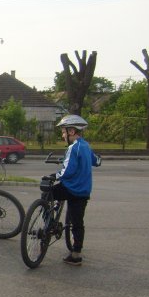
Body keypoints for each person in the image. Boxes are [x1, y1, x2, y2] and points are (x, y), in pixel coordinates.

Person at [53, 114, 101, 266]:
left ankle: (49, 219)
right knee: (77, 222)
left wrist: (54, 175)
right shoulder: (86, 146)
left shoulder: (73, 148)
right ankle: (76, 254)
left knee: (48, 191)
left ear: (71, 132)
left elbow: (67, 171)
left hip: (70, 187)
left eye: (63, 132)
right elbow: (97, 161)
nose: (63, 135)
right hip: (83, 191)